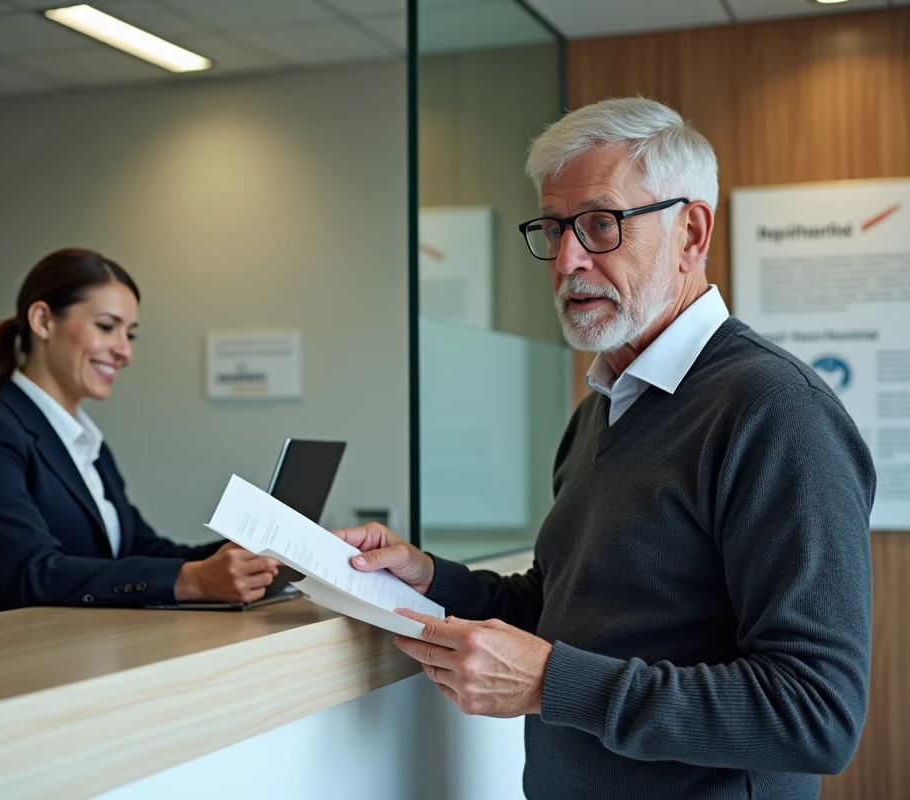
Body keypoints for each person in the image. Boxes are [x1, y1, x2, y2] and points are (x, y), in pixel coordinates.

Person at [335, 98, 875, 799]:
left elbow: (815, 714)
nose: (567, 259)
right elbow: (571, 604)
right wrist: (430, 577)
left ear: (691, 232)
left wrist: (551, 683)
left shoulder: (777, 412)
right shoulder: (605, 407)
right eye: (554, 227)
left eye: (600, 224)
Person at [0, 248, 278, 619]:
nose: (124, 350)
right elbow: (34, 574)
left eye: (130, 334)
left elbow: (138, 548)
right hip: (9, 665)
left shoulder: (85, 444)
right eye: (106, 327)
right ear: (42, 321)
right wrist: (190, 580)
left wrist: (245, 555)